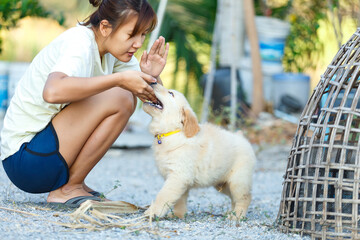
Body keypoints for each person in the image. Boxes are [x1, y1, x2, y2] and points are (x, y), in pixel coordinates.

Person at [0, 0, 169, 207]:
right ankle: (69, 188)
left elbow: (153, 100)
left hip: (45, 155)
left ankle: (72, 184)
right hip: (26, 160)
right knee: (121, 96)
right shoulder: (79, 42)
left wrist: (152, 77)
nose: (138, 43)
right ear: (105, 27)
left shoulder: (114, 52)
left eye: (143, 34)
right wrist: (117, 80)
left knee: (124, 95)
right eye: (131, 34)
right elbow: (52, 92)